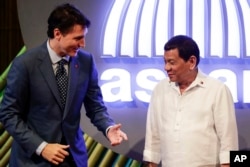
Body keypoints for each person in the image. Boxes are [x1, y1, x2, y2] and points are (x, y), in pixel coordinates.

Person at [0, 3, 128, 167]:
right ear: (57, 33)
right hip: (33, 161)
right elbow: (8, 114)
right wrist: (41, 147)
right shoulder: (26, 64)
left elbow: (95, 106)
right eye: (77, 38)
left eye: (83, 37)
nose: (83, 44)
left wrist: (108, 128)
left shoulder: (85, 62)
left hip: (73, 160)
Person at [143, 35, 238, 167]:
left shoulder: (217, 90)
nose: (166, 68)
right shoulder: (160, 90)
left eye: (172, 62)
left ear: (191, 62)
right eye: (165, 62)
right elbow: (153, 137)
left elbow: (229, 141)